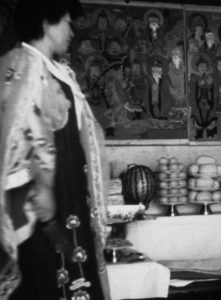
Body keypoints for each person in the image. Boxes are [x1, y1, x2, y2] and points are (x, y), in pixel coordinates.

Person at [0, 0, 111, 300]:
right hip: (40, 204)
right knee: (46, 280)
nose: (72, 31)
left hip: (70, 191)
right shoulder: (22, 62)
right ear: (47, 22)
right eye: (67, 22)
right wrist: (42, 189)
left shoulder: (57, 69)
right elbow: (10, 137)